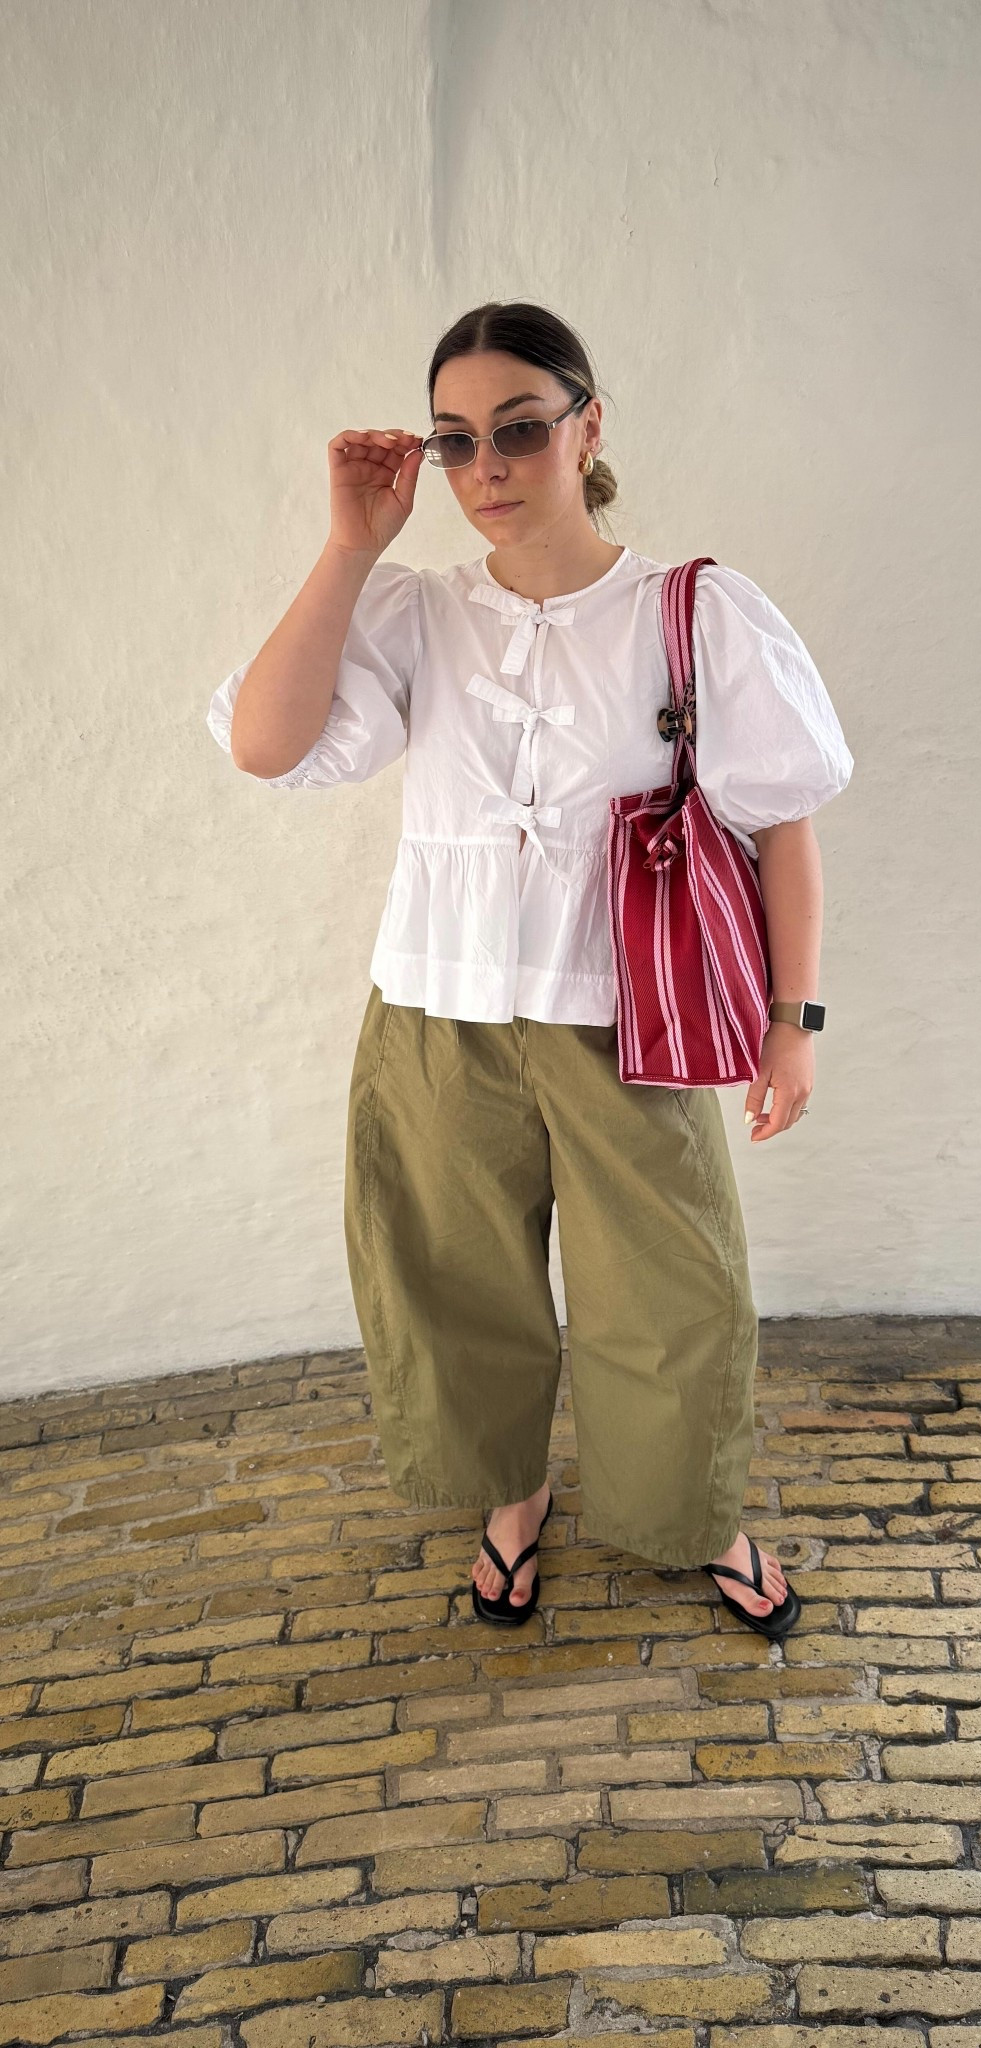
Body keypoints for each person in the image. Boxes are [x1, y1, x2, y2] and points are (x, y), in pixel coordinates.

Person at [207, 299, 853, 1642]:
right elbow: (266, 746)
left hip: (629, 1029)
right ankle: (510, 1497)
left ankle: (694, 1514)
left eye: (517, 430)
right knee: (454, 1288)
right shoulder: (416, 612)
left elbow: (782, 822)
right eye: (454, 442)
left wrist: (791, 1024)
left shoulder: (695, 608)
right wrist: (346, 547)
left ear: (586, 425)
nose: (485, 468)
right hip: (435, 1022)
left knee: (670, 1302)